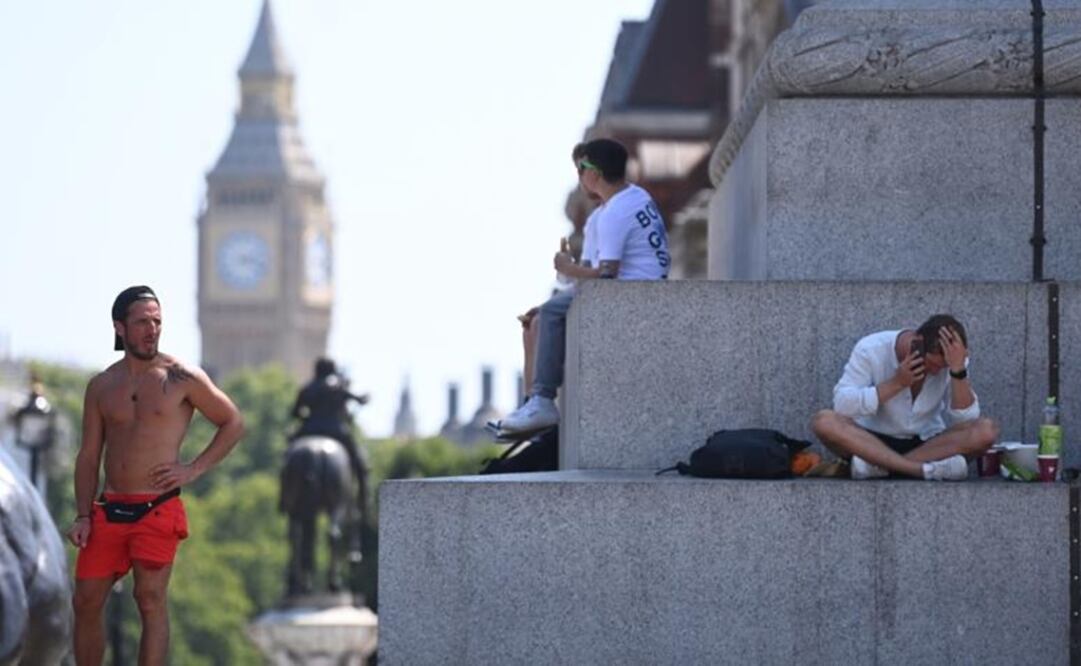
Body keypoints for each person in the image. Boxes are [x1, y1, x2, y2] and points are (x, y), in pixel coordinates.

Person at [67, 286, 245, 665]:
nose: (152, 329)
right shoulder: (101, 385)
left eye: (157, 321)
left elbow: (232, 421)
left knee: (149, 599)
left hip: (157, 508)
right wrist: (83, 513)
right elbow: (88, 456)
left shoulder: (181, 376)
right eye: (142, 322)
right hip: (109, 509)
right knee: (84, 600)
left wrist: (193, 468)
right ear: (120, 328)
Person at [499, 138, 670, 436]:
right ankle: (531, 407)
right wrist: (571, 273)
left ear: (594, 174)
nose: (578, 178)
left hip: (636, 293)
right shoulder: (625, 202)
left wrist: (566, 268)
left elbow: (606, 276)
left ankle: (542, 402)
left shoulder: (615, 214)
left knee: (552, 310)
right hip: (625, 289)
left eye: (580, 169)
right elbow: (589, 276)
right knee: (536, 321)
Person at [810, 314, 999, 480]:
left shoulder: (953, 361)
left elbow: (966, 420)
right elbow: (842, 405)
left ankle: (883, 468)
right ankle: (918, 470)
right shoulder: (871, 348)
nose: (935, 372)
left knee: (986, 430)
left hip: (928, 443)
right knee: (824, 421)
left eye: (942, 367)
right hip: (869, 442)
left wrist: (958, 372)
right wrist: (896, 383)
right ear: (916, 343)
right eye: (932, 364)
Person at [290, 357, 370, 514]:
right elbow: (359, 399)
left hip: (309, 430)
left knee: (288, 458)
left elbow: (295, 413)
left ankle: (285, 498)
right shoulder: (338, 386)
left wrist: (306, 417)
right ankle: (363, 501)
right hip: (336, 431)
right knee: (360, 465)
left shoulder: (307, 388)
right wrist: (364, 398)